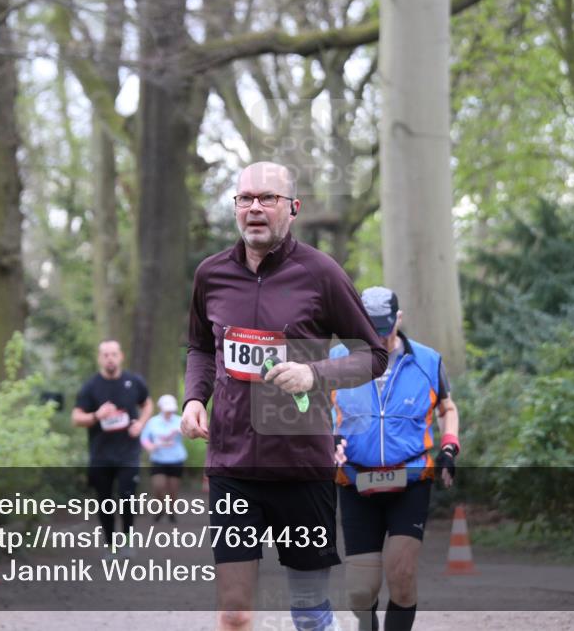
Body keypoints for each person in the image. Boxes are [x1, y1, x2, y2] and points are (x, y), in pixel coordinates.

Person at [181, 162, 389, 631]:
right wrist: (195, 398)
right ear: (235, 208)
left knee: (310, 613)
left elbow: (374, 355)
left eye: (267, 198)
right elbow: (199, 347)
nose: (255, 207)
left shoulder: (321, 274)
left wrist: (314, 373)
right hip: (233, 466)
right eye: (245, 198)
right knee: (234, 614)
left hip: (301, 465)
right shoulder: (210, 275)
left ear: (292, 209)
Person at [331, 286, 460, 631]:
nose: (378, 337)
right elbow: (313, 411)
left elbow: (447, 407)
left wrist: (449, 446)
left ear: (398, 319)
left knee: (401, 574)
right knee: (361, 591)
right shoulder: (337, 360)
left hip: (411, 480)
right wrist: (327, 442)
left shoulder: (427, 361)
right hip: (356, 481)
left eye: (384, 329)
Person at [72, 340, 153, 553]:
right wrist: (96, 415)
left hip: (128, 453)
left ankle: (126, 541)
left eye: (113, 354)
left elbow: (147, 404)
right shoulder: (91, 386)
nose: (110, 358)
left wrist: (141, 424)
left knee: (127, 498)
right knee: (105, 501)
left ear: (121, 356)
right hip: (101, 454)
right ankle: (110, 545)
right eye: (105, 354)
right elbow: (76, 418)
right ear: (100, 358)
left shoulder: (134, 382)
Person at [140, 394, 187, 523]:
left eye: (171, 410)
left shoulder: (180, 420)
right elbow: (144, 438)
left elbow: (188, 432)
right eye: (167, 410)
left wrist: (179, 432)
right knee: (158, 486)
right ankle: (161, 508)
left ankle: (171, 510)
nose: (169, 413)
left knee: (173, 490)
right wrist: (149, 446)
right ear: (161, 408)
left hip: (176, 459)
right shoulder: (153, 422)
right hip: (158, 459)